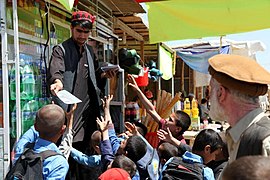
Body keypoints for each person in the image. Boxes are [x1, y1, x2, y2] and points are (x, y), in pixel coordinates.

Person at [47, 10, 116, 152]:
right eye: (79, 31)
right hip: (70, 112)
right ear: (71, 28)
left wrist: (105, 75)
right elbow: (56, 71)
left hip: (88, 113)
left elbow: (95, 76)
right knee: (67, 149)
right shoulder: (61, 50)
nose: (83, 36)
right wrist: (57, 82)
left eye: (86, 32)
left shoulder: (90, 51)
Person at [208, 54, 270, 163]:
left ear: (220, 93)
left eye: (210, 90)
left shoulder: (265, 142)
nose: (208, 98)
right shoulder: (237, 135)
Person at [127, 74, 191, 146]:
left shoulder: (180, 144)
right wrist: (138, 90)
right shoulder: (164, 126)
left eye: (170, 120)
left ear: (178, 129)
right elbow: (151, 110)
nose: (166, 120)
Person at [14, 104, 69, 179]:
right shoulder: (58, 162)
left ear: (35, 126)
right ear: (63, 130)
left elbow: (30, 132)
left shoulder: (23, 147)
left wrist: (46, 116)